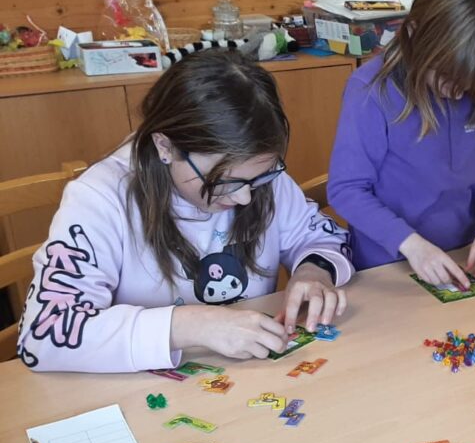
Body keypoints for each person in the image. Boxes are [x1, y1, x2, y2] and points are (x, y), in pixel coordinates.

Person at [17, 50, 354, 374]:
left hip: (248, 378)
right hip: (139, 390)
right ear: (165, 146)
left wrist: (314, 271)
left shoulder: (255, 178)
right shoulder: (100, 198)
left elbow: (319, 236)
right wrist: (190, 325)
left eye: (259, 178)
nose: (244, 198)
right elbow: (44, 334)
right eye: (224, 182)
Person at [328, 0, 475, 288]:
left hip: (462, 259)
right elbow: (346, 190)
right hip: (386, 268)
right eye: (447, 77)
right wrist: (411, 245)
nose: (458, 93)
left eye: (470, 85)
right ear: (414, 33)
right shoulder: (370, 91)